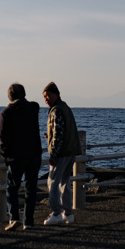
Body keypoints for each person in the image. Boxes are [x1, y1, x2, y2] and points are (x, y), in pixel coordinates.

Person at [0, 83, 41, 231]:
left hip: (16, 157)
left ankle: (14, 217)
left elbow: (2, 139)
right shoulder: (33, 109)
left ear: (9, 96)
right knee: (31, 188)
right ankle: (28, 221)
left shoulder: (6, 113)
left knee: (12, 188)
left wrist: (5, 155)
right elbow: (34, 104)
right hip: (34, 154)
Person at [43, 81, 81, 225]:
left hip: (61, 153)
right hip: (71, 150)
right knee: (65, 182)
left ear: (56, 94)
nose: (46, 99)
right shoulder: (65, 107)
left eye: (48, 96)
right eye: (44, 97)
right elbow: (65, 130)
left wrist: (53, 154)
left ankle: (56, 213)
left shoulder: (56, 110)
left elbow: (59, 134)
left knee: (52, 182)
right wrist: (50, 136)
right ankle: (68, 213)